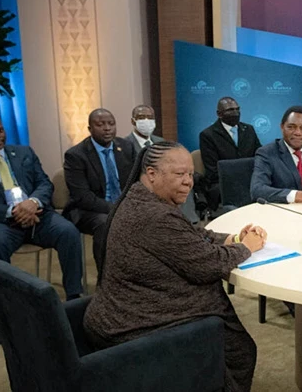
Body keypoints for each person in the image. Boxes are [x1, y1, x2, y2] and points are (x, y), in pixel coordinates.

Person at [83, 141, 265, 391]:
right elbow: (209, 264)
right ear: (152, 174)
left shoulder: (141, 198)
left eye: (190, 174)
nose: (188, 182)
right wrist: (246, 247)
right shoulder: (154, 216)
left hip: (122, 313)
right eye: (179, 174)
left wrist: (232, 238)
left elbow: (188, 234)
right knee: (241, 351)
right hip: (134, 328)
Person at [0, 113, 83, 348]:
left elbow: (45, 183)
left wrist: (32, 203)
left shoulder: (24, 152)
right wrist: (13, 211)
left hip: (37, 216)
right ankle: (3, 318)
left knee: (68, 232)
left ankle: (74, 298)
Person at [63, 108, 136, 271]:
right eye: (100, 124)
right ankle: (105, 279)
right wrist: (116, 209)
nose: (107, 128)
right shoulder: (76, 155)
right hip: (88, 211)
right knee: (105, 222)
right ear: (90, 129)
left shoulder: (126, 147)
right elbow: (83, 197)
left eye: (111, 123)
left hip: (121, 205)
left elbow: (135, 181)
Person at [126, 104, 200, 224]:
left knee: (183, 183)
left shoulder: (160, 141)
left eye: (150, 117)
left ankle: (189, 222)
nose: (146, 121)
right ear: (133, 121)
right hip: (144, 188)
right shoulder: (125, 145)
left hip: (164, 181)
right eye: (141, 117)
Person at [199, 97, 262, 211]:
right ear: (219, 114)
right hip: (223, 183)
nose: (236, 113)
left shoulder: (249, 130)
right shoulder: (208, 135)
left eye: (237, 109)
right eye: (230, 110)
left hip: (250, 180)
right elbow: (212, 170)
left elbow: (259, 156)